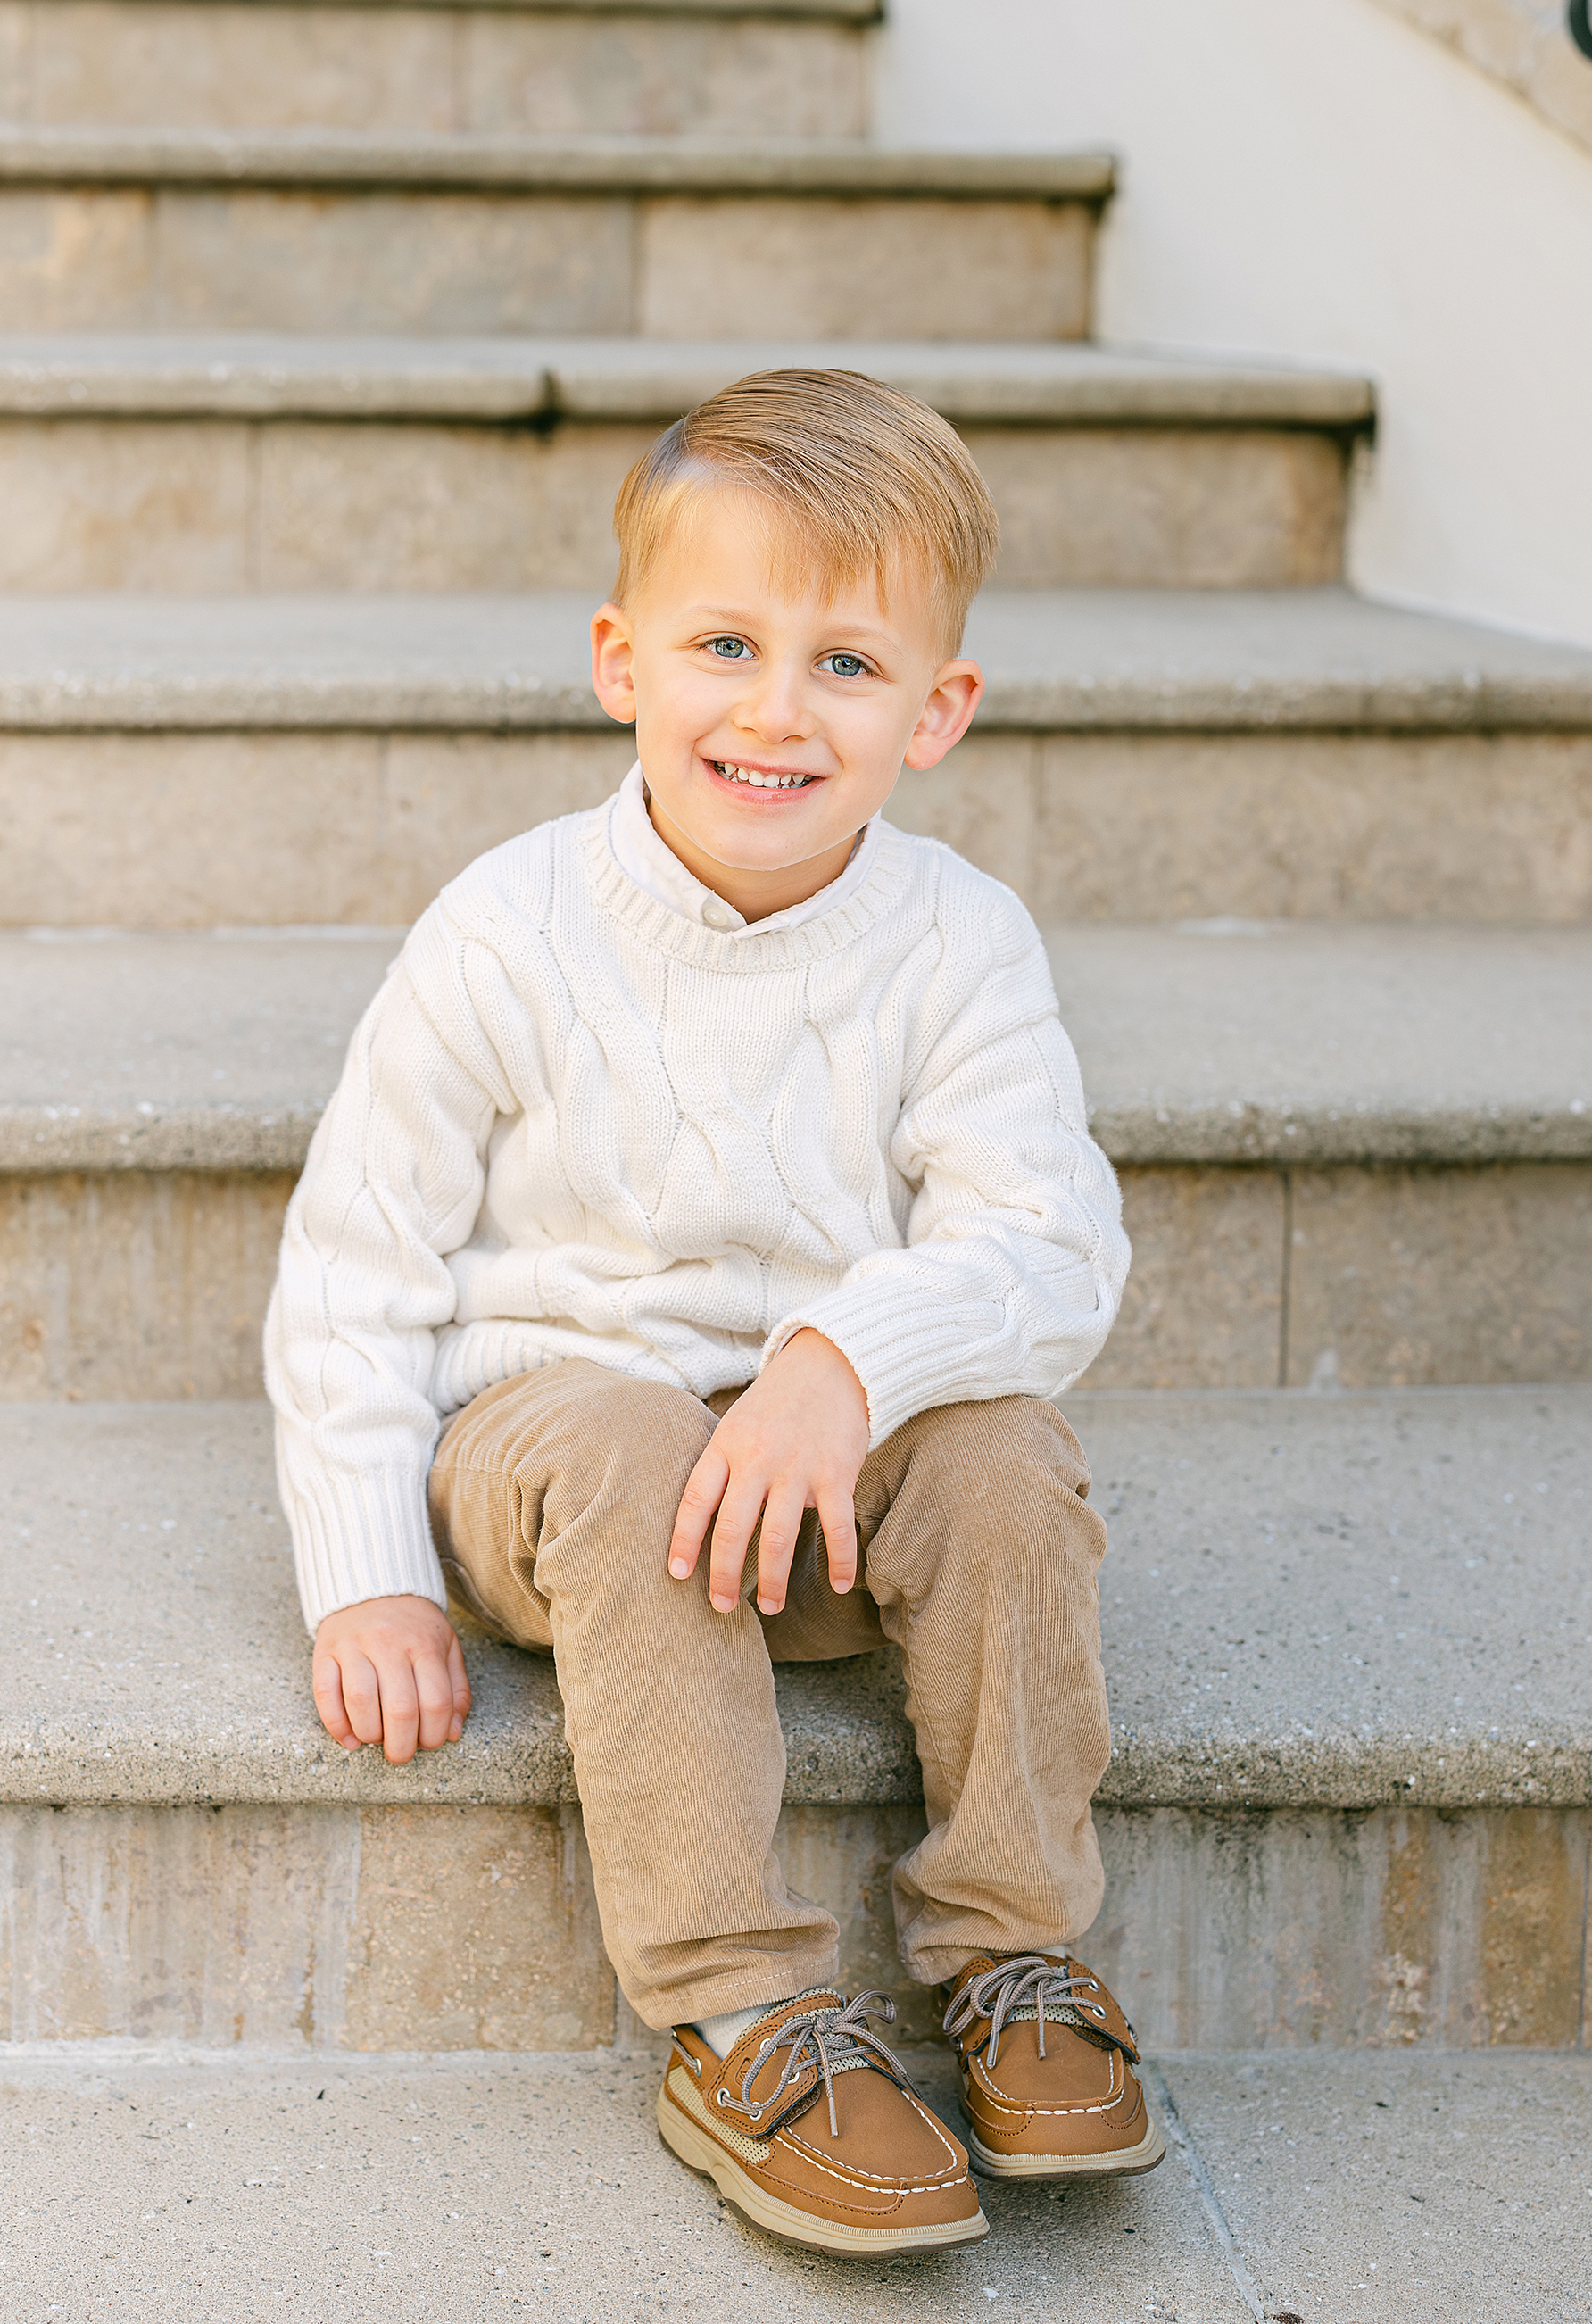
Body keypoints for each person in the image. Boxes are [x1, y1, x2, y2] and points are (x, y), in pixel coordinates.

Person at [264, 366, 1160, 2258]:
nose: (773, 706)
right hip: (567, 1460)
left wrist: (843, 1359)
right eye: (724, 643)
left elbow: (1053, 1243)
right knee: (615, 1428)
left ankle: (1014, 1947)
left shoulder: (957, 941)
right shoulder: (509, 929)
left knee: (1002, 1441)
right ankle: (745, 2009)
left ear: (938, 711)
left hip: (823, 1481)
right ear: (618, 660)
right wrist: (363, 1567)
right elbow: (358, 1266)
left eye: (845, 663)